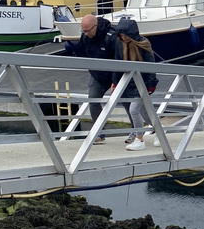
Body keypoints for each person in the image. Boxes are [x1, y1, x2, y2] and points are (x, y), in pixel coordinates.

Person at [63, 14, 115, 143]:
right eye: (83, 31)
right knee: (93, 101)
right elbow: (82, 54)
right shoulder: (85, 37)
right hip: (97, 75)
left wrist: (115, 80)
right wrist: (73, 46)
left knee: (127, 102)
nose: (86, 34)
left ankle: (136, 132)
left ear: (95, 26)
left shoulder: (111, 37)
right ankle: (99, 132)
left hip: (115, 73)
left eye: (88, 31)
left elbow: (119, 57)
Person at [110, 18, 158, 151]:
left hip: (142, 83)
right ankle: (160, 131)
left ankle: (139, 139)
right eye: (121, 34)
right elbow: (117, 63)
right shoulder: (120, 44)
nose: (123, 37)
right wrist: (115, 83)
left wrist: (151, 84)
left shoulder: (143, 44)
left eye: (125, 34)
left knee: (134, 110)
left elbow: (150, 65)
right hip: (129, 82)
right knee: (143, 111)